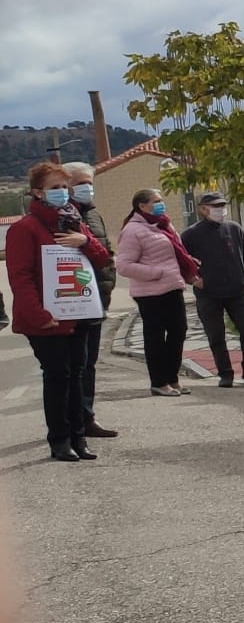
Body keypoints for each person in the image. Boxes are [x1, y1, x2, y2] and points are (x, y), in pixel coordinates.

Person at [6, 161, 115, 460]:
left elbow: (102, 258)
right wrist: (41, 315)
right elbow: (20, 277)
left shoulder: (74, 222)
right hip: (46, 319)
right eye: (55, 188)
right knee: (58, 376)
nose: (62, 194)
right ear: (37, 192)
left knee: (77, 375)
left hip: (78, 311)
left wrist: (85, 241)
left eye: (64, 188)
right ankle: (59, 440)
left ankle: (79, 438)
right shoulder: (24, 229)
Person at [119, 188, 200, 396]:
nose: (160, 204)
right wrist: (156, 273)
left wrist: (189, 267)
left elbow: (177, 252)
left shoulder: (164, 224)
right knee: (155, 337)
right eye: (156, 201)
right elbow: (124, 265)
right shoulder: (132, 230)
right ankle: (159, 381)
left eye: (161, 200)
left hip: (172, 287)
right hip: (150, 292)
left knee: (178, 332)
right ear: (142, 206)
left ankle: (173, 378)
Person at [183, 191, 244, 389]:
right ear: (203, 209)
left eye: (221, 205)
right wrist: (193, 279)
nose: (220, 210)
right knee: (216, 335)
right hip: (208, 294)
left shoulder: (234, 228)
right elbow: (182, 261)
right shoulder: (191, 234)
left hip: (236, 291)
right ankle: (225, 373)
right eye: (215, 206)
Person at [62, 161, 118, 439]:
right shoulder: (61, 215)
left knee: (89, 364)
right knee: (73, 366)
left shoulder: (93, 215)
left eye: (89, 183)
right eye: (80, 183)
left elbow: (104, 253)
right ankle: (70, 422)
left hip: (96, 297)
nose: (86, 188)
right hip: (71, 299)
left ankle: (87, 418)